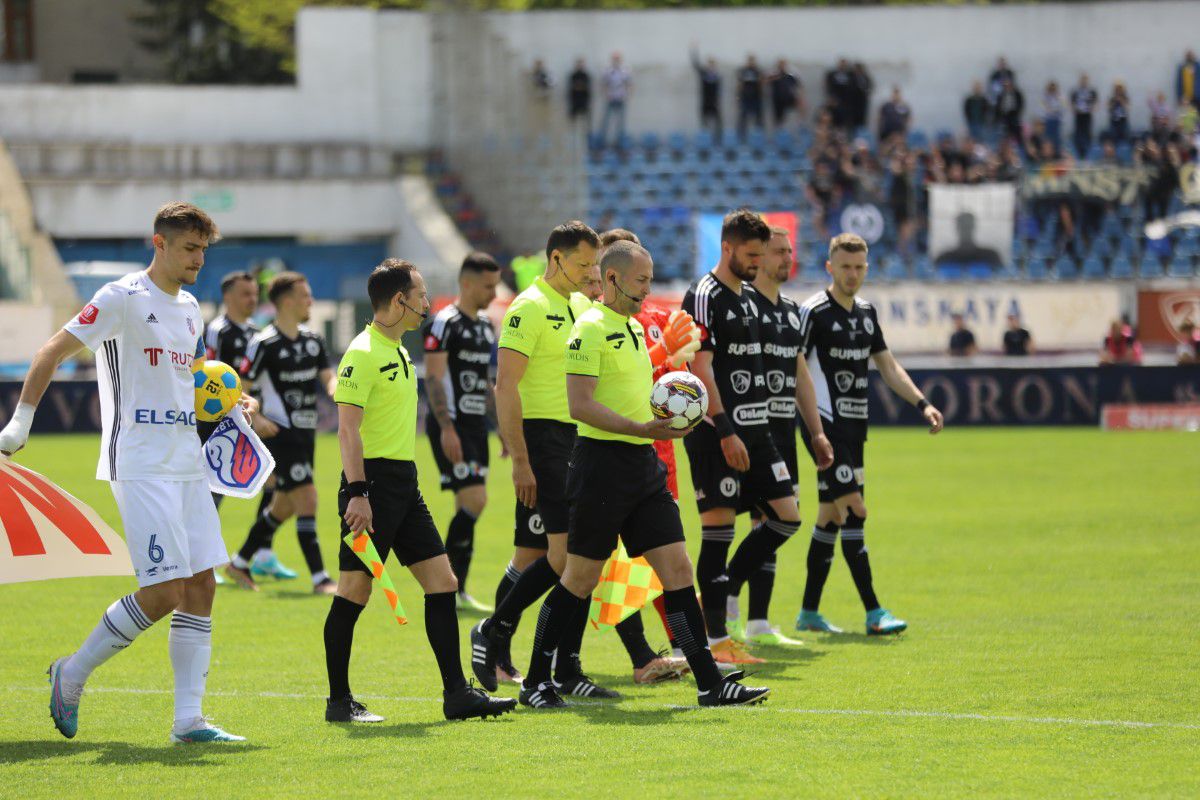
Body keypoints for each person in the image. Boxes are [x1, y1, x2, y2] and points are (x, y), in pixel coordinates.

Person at [0, 202, 248, 743]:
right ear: (159, 243)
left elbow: (195, 377)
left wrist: (232, 401)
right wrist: (20, 421)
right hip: (139, 462)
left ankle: (189, 721)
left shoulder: (190, 308)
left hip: (186, 462)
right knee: (163, 592)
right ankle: (72, 672)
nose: (199, 260)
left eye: (204, 250)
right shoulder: (122, 297)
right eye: (190, 248)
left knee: (202, 585)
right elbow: (52, 351)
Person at [517, 239, 770, 709]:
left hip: (643, 466)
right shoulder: (589, 329)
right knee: (579, 578)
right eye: (641, 281)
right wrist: (642, 428)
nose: (648, 290)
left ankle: (710, 684)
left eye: (650, 280)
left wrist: (670, 415)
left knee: (678, 569)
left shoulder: (633, 327)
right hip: (600, 468)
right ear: (612, 279)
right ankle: (535, 680)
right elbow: (580, 405)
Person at [324, 259, 516, 723]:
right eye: (421, 295)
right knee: (354, 591)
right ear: (399, 301)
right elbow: (348, 432)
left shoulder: (398, 351)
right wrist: (358, 493)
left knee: (443, 583)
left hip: (404, 486)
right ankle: (339, 702)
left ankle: (457, 695)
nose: (427, 303)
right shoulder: (363, 352)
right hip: (371, 487)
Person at [471, 221, 624, 698]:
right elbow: (505, 386)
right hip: (544, 440)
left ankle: (566, 668)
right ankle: (494, 629)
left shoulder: (580, 305)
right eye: (582, 264)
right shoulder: (528, 307)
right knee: (562, 559)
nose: (589, 273)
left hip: (580, 440)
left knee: (581, 560)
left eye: (594, 265)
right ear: (556, 258)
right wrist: (520, 458)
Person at [682, 210, 832, 665]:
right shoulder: (703, 295)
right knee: (719, 532)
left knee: (787, 516)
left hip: (759, 430)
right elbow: (701, 368)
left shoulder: (749, 299)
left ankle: (722, 589)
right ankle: (716, 642)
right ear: (727, 247)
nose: (757, 262)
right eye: (751, 254)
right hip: (717, 433)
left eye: (761, 254)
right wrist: (725, 429)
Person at [796, 233, 944, 636]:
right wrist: (810, 428)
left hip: (854, 428)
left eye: (859, 267)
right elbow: (794, 367)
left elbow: (888, 366)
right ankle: (874, 612)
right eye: (845, 266)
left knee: (830, 516)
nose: (853, 274)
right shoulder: (812, 312)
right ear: (830, 267)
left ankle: (808, 613)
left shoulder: (866, 313)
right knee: (855, 511)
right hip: (824, 428)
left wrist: (922, 404)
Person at [598, 227, 695, 682]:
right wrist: (664, 352)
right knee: (584, 566)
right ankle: (521, 648)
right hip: (609, 451)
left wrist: (681, 375)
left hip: (658, 456)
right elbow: (609, 389)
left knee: (663, 558)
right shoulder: (592, 322)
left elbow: (674, 380)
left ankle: (682, 650)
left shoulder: (653, 316)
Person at [223, 272, 337, 595]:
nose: (310, 301)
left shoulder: (313, 340)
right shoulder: (263, 343)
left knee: (284, 505)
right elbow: (240, 389)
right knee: (308, 497)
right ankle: (321, 579)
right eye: (305, 296)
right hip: (278, 432)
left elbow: (327, 376)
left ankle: (239, 562)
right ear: (286, 302)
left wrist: (338, 389)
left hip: (305, 433)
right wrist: (256, 418)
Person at [729, 225, 815, 648]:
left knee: (771, 525)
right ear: (759, 256)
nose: (786, 258)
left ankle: (758, 622)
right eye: (778, 251)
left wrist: (816, 432)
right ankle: (726, 598)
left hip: (784, 430)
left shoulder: (792, 311)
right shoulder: (745, 306)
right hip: (752, 430)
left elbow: (801, 375)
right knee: (767, 519)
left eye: (789, 251)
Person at [420, 253, 502, 613]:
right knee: (475, 501)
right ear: (466, 283)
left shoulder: (485, 326)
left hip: (475, 426)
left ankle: (457, 590)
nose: (494, 293)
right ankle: (447, 585)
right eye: (487, 286)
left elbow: (485, 382)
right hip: (450, 425)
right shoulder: (444, 323)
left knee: (467, 504)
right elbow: (434, 377)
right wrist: (447, 428)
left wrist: (500, 428)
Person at [935, 212, 1002, 271]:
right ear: (957, 228)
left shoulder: (991, 256)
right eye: (962, 226)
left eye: (967, 226)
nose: (965, 230)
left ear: (973, 227)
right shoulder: (943, 259)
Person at [598, 52, 632, 147]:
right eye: (614, 59)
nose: (616, 61)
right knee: (606, 121)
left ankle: (619, 143)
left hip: (621, 98)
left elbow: (629, 84)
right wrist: (606, 94)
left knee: (620, 122)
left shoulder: (625, 70)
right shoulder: (607, 71)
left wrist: (627, 95)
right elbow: (603, 84)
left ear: (620, 60)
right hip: (611, 98)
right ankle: (603, 143)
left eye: (617, 59)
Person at [690, 45, 722, 136]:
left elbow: (719, 90)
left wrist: (718, 100)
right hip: (705, 102)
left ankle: (717, 139)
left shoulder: (717, 76)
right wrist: (694, 50)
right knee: (704, 124)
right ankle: (706, 139)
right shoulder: (703, 73)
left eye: (712, 64)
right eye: (709, 64)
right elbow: (695, 64)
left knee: (718, 123)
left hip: (714, 103)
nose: (711, 66)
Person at [768, 58, 802, 129]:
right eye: (780, 64)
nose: (782, 66)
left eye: (783, 64)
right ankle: (778, 130)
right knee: (778, 118)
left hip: (788, 99)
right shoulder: (774, 75)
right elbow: (765, 82)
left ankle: (797, 126)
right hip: (777, 100)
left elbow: (797, 86)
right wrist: (774, 78)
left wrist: (799, 97)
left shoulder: (790, 76)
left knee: (792, 114)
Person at [1070, 74, 1098, 159]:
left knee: (1087, 133)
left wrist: (1092, 109)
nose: (1084, 82)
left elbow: (1095, 102)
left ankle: (1087, 152)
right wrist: (1075, 109)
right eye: (1082, 80)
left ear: (1087, 81)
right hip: (1078, 115)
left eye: (1085, 80)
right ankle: (1079, 152)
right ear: (1080, 81)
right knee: (1078, 133)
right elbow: (1072, 103)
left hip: (1087, 115)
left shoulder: (1091, 91)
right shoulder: (1076, 91)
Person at [736, 55, 764, 137]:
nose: (751, 63)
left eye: (752, 61)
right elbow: (739, 84)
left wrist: (761, 94)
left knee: (758, 117)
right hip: (745, 97)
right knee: (743, 117)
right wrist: (738, 96)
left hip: (756, 97)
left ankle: (759, 135)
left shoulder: (758, 71)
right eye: (750, 61)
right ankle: (741, 135)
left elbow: (761, 84)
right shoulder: (743, 71)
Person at [567, 58, 591, 128]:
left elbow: (587, 87)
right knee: (573, 120)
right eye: (578, 64)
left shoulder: (586, 75)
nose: (580, 66)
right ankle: (573, 132)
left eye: (581, 64)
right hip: (575, 100)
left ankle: (584, 132)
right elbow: (572, 87)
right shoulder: (573, 75)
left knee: (584, 119)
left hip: (583, 100)